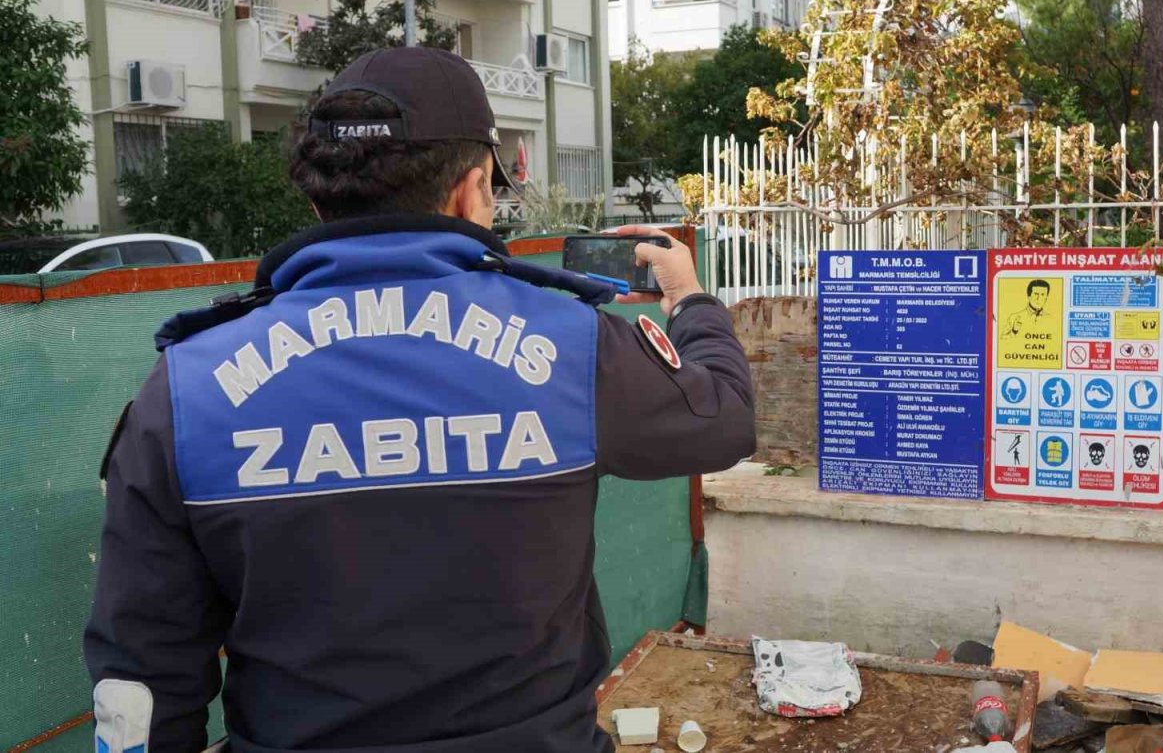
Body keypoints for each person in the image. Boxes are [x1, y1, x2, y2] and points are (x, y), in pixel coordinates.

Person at [84, 47, 756, 753]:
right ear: (471, 190)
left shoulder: (187, 386)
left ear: (320, 198)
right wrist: (688, 296)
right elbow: (725, 419)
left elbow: (142, 676)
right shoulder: (570, 347)